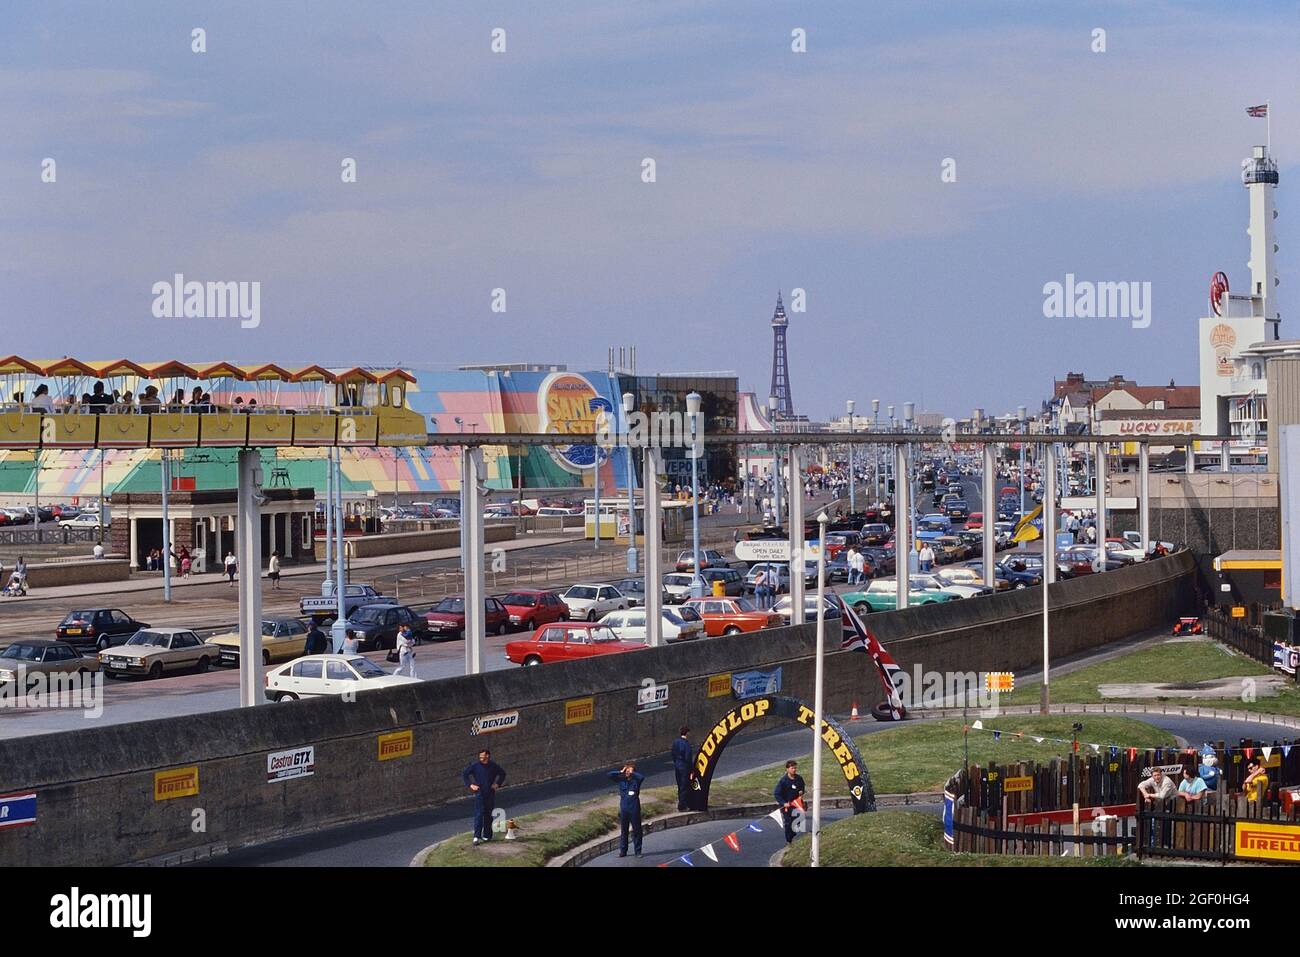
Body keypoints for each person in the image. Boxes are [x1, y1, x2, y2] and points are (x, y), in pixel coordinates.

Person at [462, 749, 506, 845]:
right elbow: (465, 774)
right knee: (479, 814)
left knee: (488, 814)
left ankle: (487, 835)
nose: (481, 758)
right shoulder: (475, 766)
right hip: (480, 793)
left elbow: (502, 774)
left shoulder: (493, 766)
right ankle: (476, 837)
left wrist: (497, 784)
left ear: (488, 756)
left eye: (483, 756)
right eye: (480, 756)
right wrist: (470, 785)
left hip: (490, 793)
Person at [607, 762, 645, 857]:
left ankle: (638, 851)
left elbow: (641, 777)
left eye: (630, 770)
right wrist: (620, 771)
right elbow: (609, 775)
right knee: (624, 830)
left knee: (637, 830)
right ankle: (623, 850)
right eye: (627, 770)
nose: (628, 772)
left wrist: (632, 773)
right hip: (624, 809)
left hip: (634, 808)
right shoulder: (621, 780)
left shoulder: (636, 780)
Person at [774, 760, 806, 845]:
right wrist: (783, 803)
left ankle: (793, 833)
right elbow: (777, 793)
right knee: (788, 823)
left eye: (795, 768)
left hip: (797, 804)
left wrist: (801, 792)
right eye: (792, 768)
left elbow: (802, 787)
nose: (794, 770)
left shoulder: (799, 778)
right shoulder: (783, 781)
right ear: (787, 769)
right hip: (787, 806)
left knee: (800, 818)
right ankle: (789, 840)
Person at [671, 726, 694, 812]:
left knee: (680, 785)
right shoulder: (686, 744)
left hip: (677, 766)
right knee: (685, 786)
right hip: (684, 767)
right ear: (687, 733)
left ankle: (681, 803)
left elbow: (673, 754)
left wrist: (676, 762)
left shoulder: (675, 742)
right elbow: (688, 758)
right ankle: (683, 805)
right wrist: (691, 770)